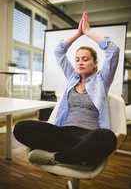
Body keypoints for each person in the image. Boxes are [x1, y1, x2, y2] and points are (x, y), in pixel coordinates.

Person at [13, 12, 119, 168]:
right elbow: (59, 51)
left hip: (88, 135)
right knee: (21, 128)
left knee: (108, 137)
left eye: (85, 59)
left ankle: (58, 157)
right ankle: (78, 155)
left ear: (95, 64)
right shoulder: (72, 78)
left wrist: (88, 33)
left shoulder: (101, 80)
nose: (80, 62)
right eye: (77, 59)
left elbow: (113, 51)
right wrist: (77, 34)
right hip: (63, 133)